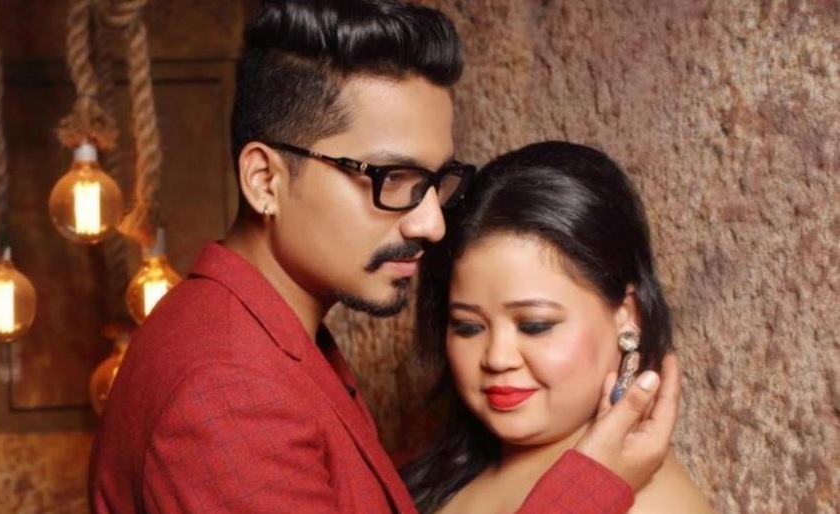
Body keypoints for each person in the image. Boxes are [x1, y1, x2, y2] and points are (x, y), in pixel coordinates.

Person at [88, 2, 680, 513]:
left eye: (436, 183)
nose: (431, 223)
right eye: (392, 179)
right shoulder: (227, 393)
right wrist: (589, 488)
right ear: (265, 179)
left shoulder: (265, 334)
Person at [403, 141, 714, 514]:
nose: (497, 358)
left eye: (535, 325)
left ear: (627, 315)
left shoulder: (652, 505)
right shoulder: (445, 474)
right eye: (468, 327)